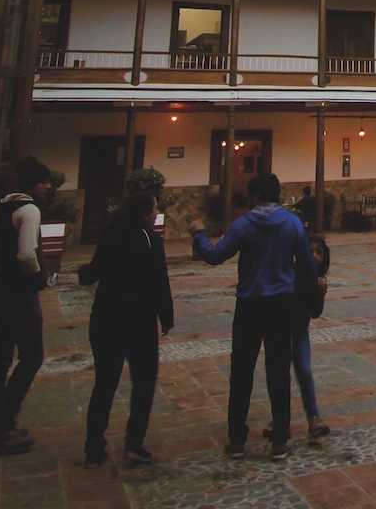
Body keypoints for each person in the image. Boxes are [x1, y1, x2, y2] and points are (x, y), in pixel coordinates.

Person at [190, 171, 317, 460]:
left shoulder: (244, 224)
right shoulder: (292, 223)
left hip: (249, 305)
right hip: (282, 304)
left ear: (256, 195)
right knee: (279, 371)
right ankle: (280, 441)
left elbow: (215, 255)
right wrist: (307, 299)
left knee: (242, 373)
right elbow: (308, 267)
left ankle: (236, 439)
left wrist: (198, 234)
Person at [83, 189, 174, 467]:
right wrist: (166, 316)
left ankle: (94, 445)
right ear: (146, 212)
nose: (157, 212)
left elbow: (95, 269)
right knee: (143, 382)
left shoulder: (111, 233)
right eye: (155, 208)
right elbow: (160, 280)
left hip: (105, 317)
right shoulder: (150, 239)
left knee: (105, 383)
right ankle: (133, 443)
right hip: (139, 320)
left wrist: (78, 276)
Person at [0, 156, 53, 456]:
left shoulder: (4, 208)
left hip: (0, 292)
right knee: (32, 355)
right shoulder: (28, 210)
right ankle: (5, 420)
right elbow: (26, 254)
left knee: (0, 357)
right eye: (44, 182)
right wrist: (38, 277)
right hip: (20, 293)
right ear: (33, 184)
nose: (48, 188)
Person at [276, 231, 332, 441]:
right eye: (311, 252)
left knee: (305, 371)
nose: (315, 256)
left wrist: (321, 294)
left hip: (300, 331)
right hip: (281, 330)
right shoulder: (291, 274)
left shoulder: (318, 280)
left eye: (319, 252)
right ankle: (278, 420)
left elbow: (315, 313)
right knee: (280, 375)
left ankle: (313, 417)